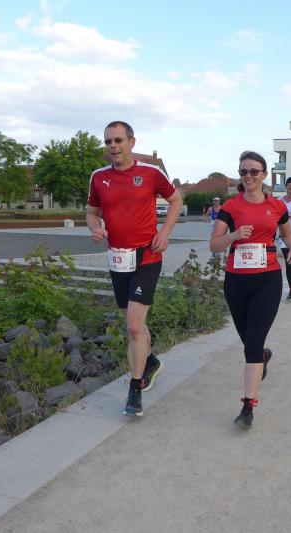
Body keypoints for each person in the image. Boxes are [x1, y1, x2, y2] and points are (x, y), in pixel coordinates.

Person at [86, 120, 183, 417]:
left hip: (147, 256)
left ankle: (135, 389)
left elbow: (176, 200)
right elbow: (91, 212)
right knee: (134, 322)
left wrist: (165, 232)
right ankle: (150, 361)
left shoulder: (151, 173)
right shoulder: (99, 177)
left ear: (131, 142)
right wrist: (95, 227)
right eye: (108, 141)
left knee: (132, 325)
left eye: (118, 140)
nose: (113, 146)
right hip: (118, 257)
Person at [210, 151, 291, 429]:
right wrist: (234, 235)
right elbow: (214, 245)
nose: (248, 176)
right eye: (243, 171)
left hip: (267, 280)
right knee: (249, 341)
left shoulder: (276, 206)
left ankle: (248, 406)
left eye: (253, 171)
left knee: (252, 343)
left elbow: (287, 233)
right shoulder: (230, 207)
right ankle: (262, 357)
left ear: (264, 175)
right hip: (236, 281)